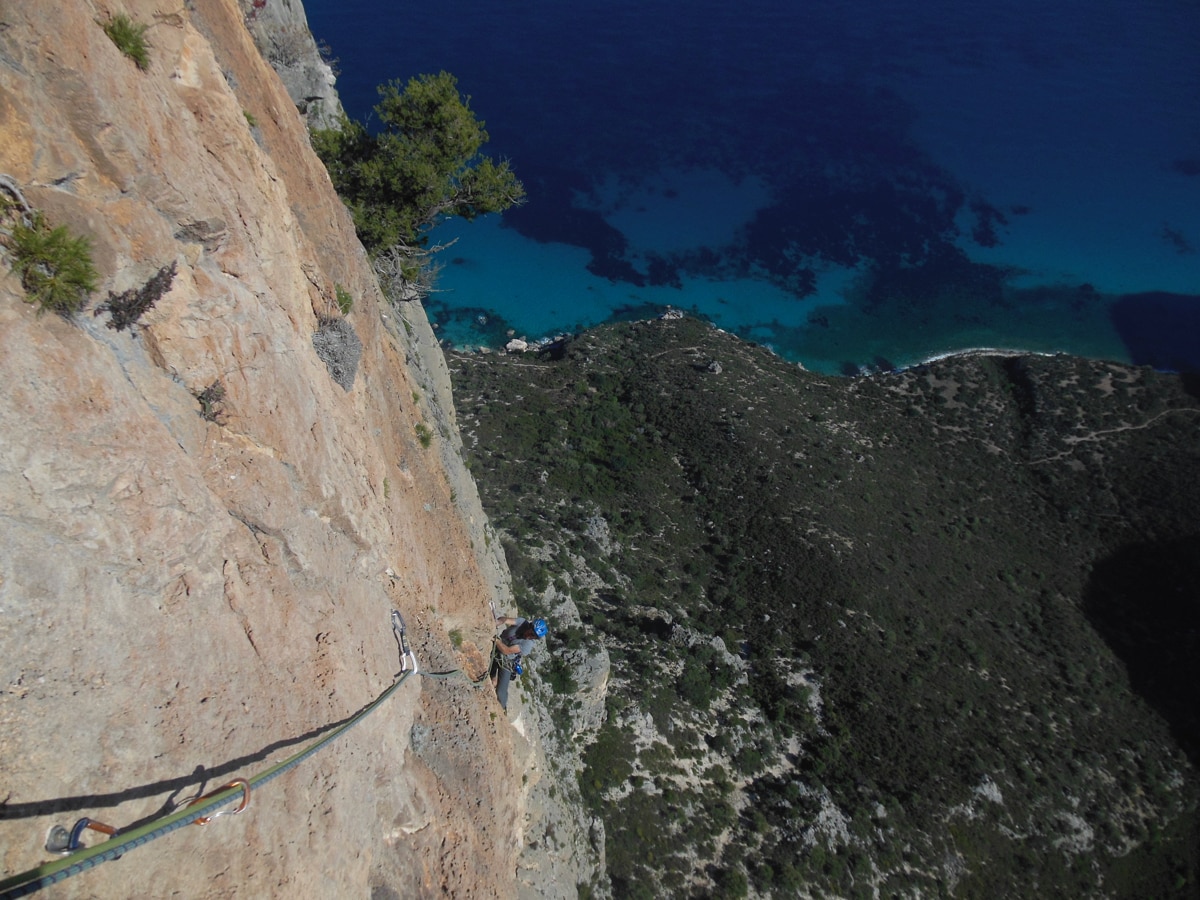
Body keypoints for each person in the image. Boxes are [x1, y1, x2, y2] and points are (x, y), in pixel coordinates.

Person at [490, 615, 547, 710]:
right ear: (530, 626)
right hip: (496, 650)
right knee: (491, 678)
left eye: (534, 636)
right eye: (532, 633)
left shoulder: (527, 645)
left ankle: (502, 710)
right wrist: (499, 621)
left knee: (501, 692)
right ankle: (493, 679)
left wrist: (496, 640)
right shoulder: (522, 623)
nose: (530, 637)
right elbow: (506, 619)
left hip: (507, 662)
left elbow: (506, 651)